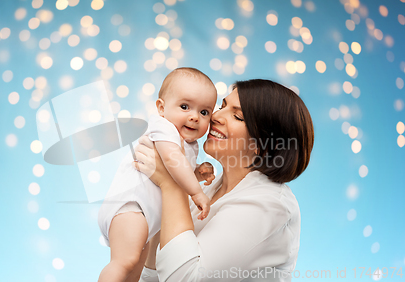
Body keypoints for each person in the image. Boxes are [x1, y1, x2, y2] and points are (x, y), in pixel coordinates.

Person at [133, 79, 315, 282]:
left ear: (264, 144)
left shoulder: (269, 206)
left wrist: (171, 184)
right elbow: (152, 275)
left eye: (237, 116)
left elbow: (185, 278)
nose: (215, 116)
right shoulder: (212, 187)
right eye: (222, 106)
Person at [97, 67, 218, 282]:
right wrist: (197, 192)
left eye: (204, 112)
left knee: (134, 270)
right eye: (184, 106)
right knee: (124, 261)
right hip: (131, 206)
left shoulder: (189, 143)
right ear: (161, 108)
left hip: (145, 216)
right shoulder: (163, 127)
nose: (194, 117)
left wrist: (197, 172)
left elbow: (177, 171)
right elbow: (172, 160)